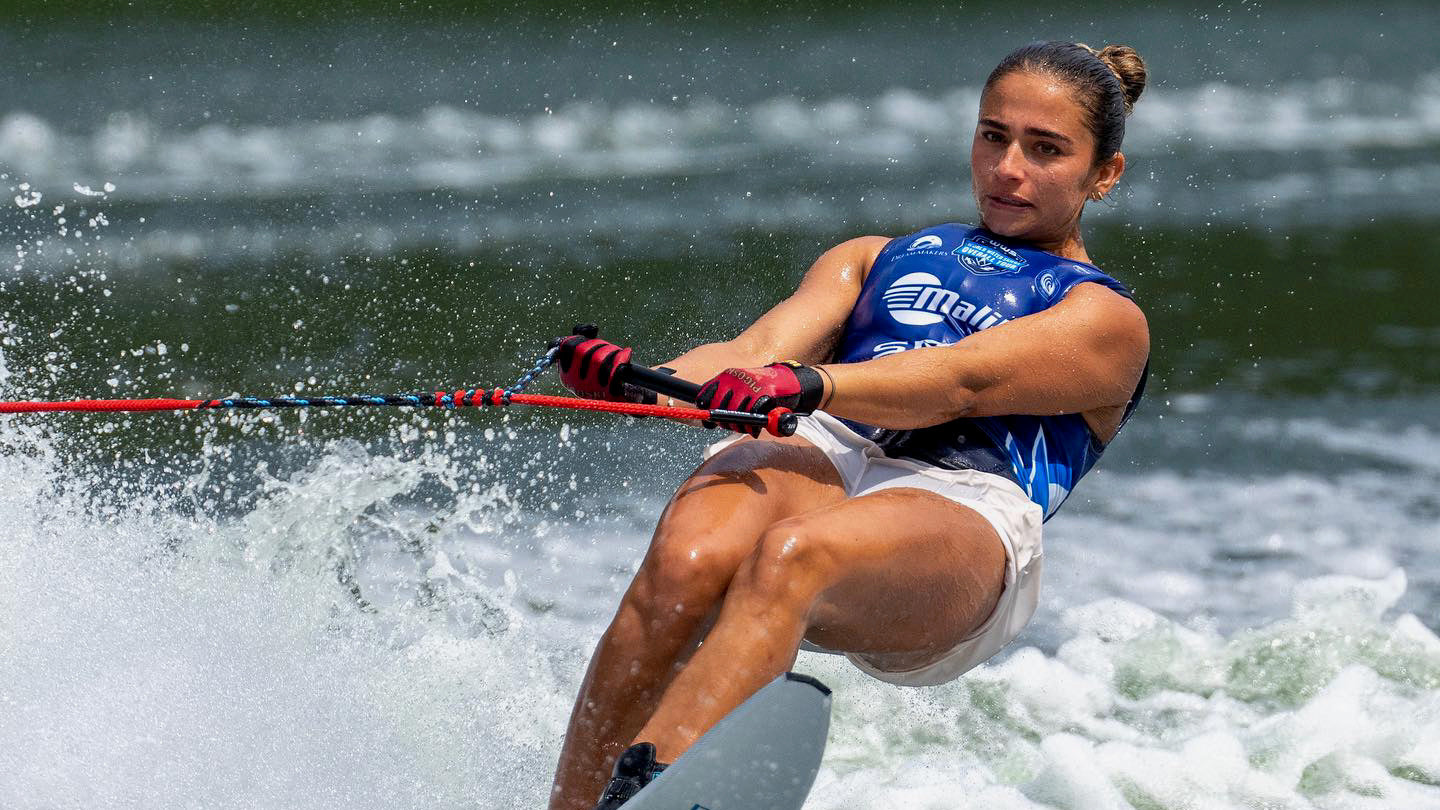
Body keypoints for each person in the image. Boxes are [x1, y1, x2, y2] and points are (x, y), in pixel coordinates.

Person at [547, 40, 1152, 810]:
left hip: (964, 504)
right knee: (689, 558)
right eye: (993, 136)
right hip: (830, 445)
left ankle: (656, 789)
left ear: (1104, 174)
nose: (1008, 169)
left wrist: (812, 384)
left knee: (794, 556)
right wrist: (643, 380)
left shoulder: (1103, 317)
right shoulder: (875, 258)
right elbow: (751, 353)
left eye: (1046, 150)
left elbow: (960, 382)